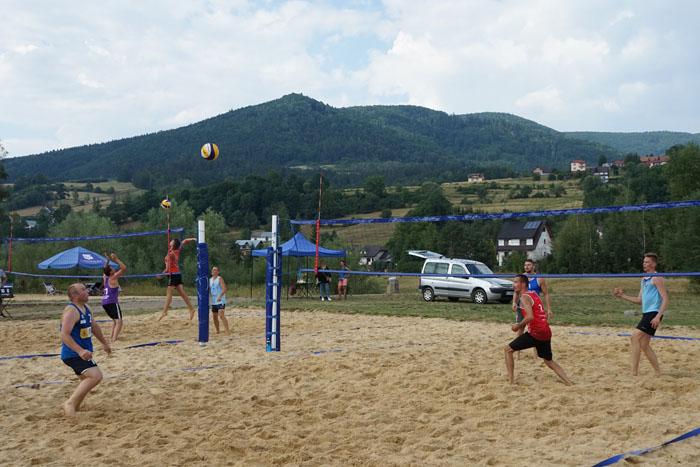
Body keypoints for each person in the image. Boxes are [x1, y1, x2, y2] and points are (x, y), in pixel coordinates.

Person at [505, 274, 572, 385]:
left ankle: (511, 382)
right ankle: (569, 382)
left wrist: (517, 326)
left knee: (508, 350)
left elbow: (530, 316)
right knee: (549, 361)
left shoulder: (524, 297)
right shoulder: (534, 294)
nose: (513, 285)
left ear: (523, 284)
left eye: (516, 282)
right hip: (546, 331)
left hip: (536, 333)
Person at [613, 253, 669, 376]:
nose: (644, 264)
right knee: (644, 344)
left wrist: (658, 316)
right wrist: (622, 296)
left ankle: (634, 372)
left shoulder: (656, 278)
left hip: (654, 313)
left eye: (647, 262)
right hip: (647, 313)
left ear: (654, 264)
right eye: (644, 262)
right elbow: (640, 300)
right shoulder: (644, 279)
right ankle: (658, 372)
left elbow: (665, 299)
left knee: (634, 337)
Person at [60, 283, 112, 417]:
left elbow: (94, 327)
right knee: (96, 376)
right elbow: (64, 334)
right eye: (83, 289)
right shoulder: (71, 311)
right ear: (75, 295)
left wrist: (104, 343)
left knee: (86, 380)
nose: (87, 291)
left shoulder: (86, 308)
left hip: (83, 353)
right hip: (73, 353)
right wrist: (80, 351)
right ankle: (70, 404)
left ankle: (75, 408)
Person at [512, 258, 552, 357]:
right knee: (520, 329)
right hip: (522, 307)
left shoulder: (539, 278)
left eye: (529, 265)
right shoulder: (521, 278)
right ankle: (517, 353)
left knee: (535, 330)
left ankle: (536, 354)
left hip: (534, 308)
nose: (526, 267)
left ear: (533, 266)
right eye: (525, 265)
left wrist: (549, 308)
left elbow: (546, 294)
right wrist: (514, 302)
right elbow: (516, 291)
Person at [158, 237, 197, 321]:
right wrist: (193, 239)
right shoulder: (176, 251)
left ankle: (165, 311)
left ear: (173, 244)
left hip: (173, 275)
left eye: (172, 241)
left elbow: (167, 269)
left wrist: (161, 275)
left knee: (169, 293)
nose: (170, 241)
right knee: (182, 293)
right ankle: (191, 309)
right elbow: (184, 241)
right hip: (177, 274)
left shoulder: (171, 254)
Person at [102, 252, 127, 342]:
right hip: (112, 302)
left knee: (115, 321)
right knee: (119, 321)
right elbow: (124, 268)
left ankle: (112, 337)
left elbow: (105, 269)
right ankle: (114, 339)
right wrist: (116, 259)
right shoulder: (113, 278)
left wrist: (107, 260)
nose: (114, 268)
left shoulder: (105, 277)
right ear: (111, 272)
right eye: (112, 268)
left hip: (104, 302)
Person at [210, 266, 230, 334]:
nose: (214, 271)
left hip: (220, 300)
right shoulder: (210, 280)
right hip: (214, 301)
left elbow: (224, 289)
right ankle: (218, 330)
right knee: (214, 316)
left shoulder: (220, 279)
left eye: (215, 270)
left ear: (218, 272)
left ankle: (227, 330)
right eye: (213, 270)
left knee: (221, 315)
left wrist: (220, 296)